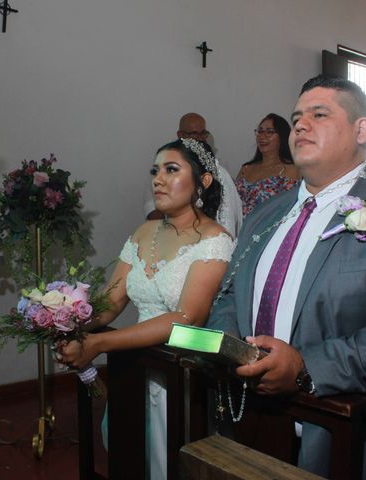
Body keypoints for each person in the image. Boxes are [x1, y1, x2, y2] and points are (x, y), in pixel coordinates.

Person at [207, 75, 366, 479]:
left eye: (319, 114)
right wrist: (230, 350)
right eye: (297, 117)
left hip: (356, 433)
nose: (301, 125)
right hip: (255, 420)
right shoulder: (264, 214)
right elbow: (229, 294)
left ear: (361, 130)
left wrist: (307, 367)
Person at [58, 138, 235, 479]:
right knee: (130, 456)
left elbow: (187, 318)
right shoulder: (143, 232)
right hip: (135, 365)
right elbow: (110, 303)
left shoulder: (215, 240)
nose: (158, 179)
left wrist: (99, 344)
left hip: (180, 373)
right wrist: (69, 322)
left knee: (169, 462)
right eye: (155, 170)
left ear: (204, 181)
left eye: (172, 169)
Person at [143, 113, 243, 237]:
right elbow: (152, 208)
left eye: (203, 133)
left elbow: (226, 214)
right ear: (180, 135)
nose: (200, 138)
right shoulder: (166, 166)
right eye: (194, 134)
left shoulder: (218, 169)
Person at [236, 113, 301, 217]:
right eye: (260, 131)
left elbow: (288, 209)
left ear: (282, 136)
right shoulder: (246, 168)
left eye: (269, 132)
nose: (262, 136)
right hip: (238, 229)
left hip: (268, 230)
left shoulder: (290, 169)